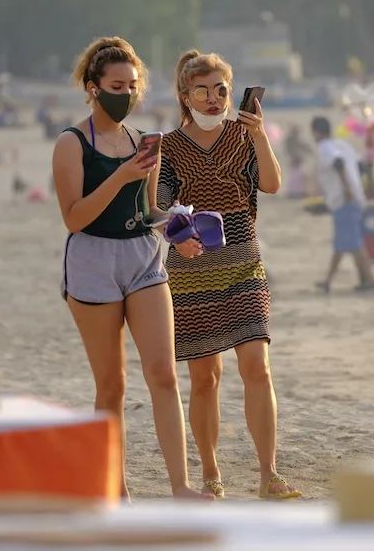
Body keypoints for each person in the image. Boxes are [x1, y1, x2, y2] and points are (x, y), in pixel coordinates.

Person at [51, 36, 211, 502]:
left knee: (162, 372)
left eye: (133, 85)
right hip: (92, 261)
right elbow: (74, 217)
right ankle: (114, 491)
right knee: (113, 385)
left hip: (142, 257)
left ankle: (180, 486)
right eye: (116, 84)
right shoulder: (72, 143)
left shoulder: (144, 141)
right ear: (93, 87)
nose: (126, 93)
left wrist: (179, 229)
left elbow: (148, 211)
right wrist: (120, 175)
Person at [157, 49, 301, 500]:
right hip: (191, 270)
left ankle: (268, 474)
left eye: (221, 89)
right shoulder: (168, 146)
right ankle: (210, 474)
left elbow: (273, 185)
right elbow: (158, 207)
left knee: (257, 366)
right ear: (185, 96)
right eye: (202, 90)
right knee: (205, 377)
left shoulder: (244, 136)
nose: (214, 98)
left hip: (244, 261)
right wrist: (176, 234)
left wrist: (260, 137)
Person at [310, 116, 374, 294]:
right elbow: (362, 166)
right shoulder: (342, 145)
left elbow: (338, 163)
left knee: (354, 244)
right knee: (341, 245)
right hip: (352, 198)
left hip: (344, 199)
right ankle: (327, 282)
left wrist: (346, 188)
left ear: (317, 133)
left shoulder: (324, 148)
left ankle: (371, 281)